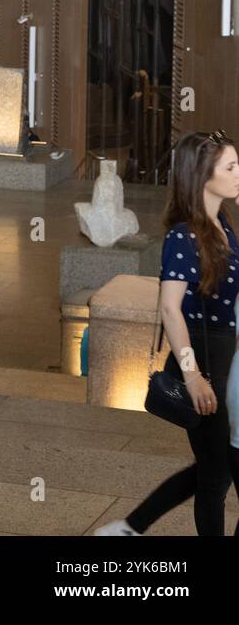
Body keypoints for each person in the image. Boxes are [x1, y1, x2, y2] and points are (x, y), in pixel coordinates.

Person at [95, 130, 239, 536]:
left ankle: (129, 528)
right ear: (202, 176)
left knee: (215, 470)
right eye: (231, 167)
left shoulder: (223, 224)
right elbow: (170, 310)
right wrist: (192, 375)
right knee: (216, 475)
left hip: (227, 355)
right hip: (202, 352)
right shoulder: (184, 236)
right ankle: (128, 527)